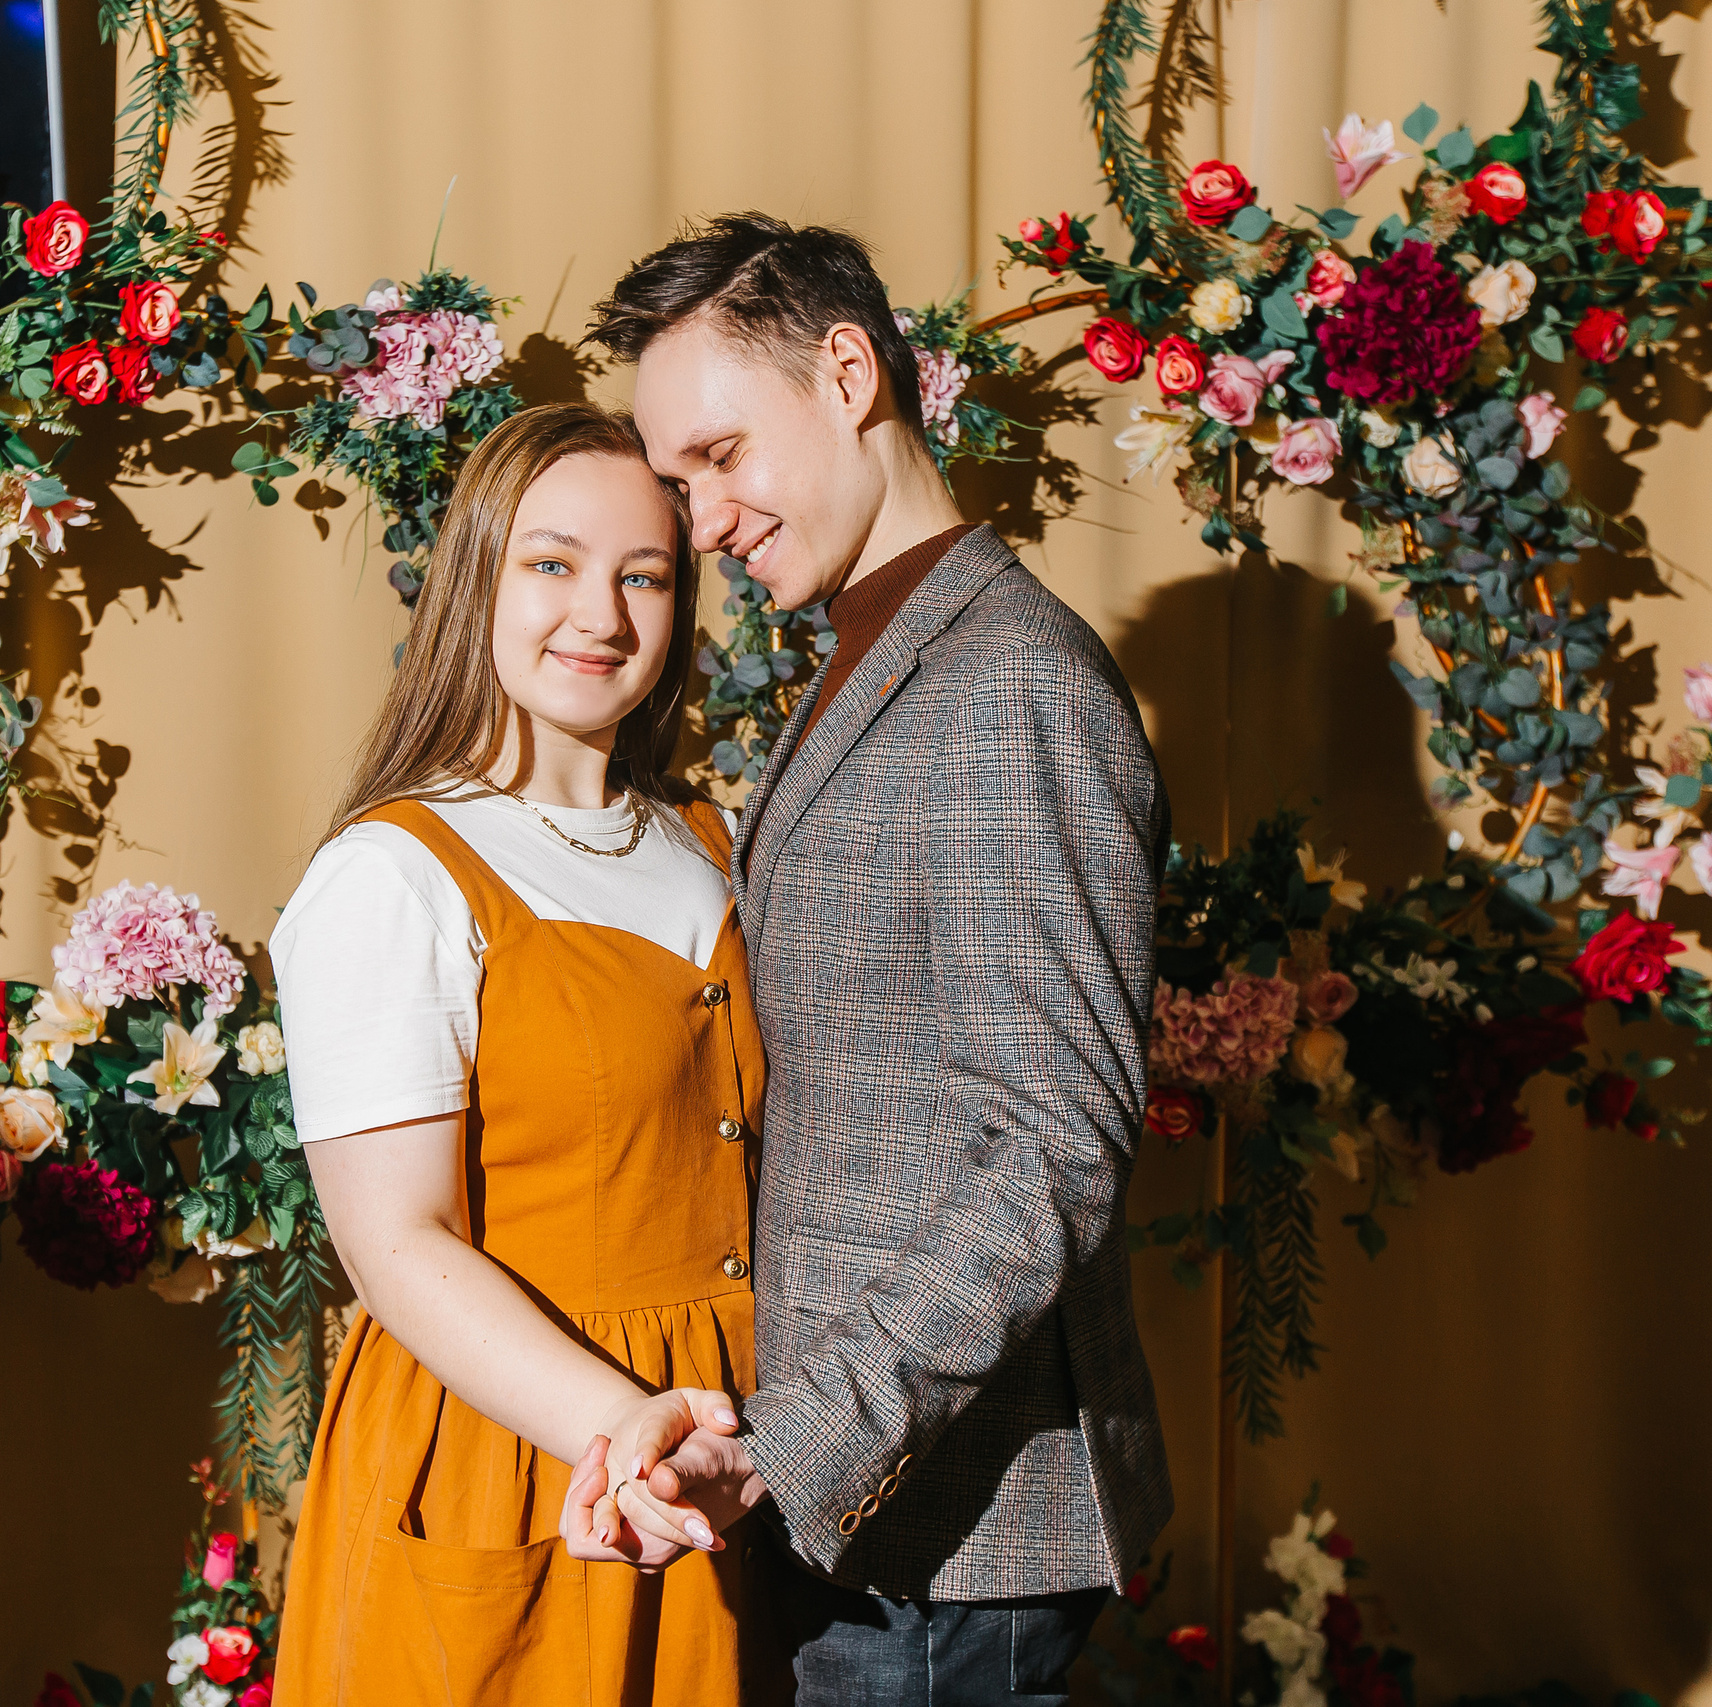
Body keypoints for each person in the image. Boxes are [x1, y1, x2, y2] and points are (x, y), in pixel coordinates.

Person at [567, 214, 1175, 1705]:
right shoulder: (878, 648)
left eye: (722, 458)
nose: (704, 523)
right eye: (679, 483)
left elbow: (1055, 1142)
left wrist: (800, 1442)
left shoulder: (1012, 680)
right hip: (868, 1517)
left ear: (850, 374)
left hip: (951, 1533)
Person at [269, 401, 768, 1706]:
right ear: (477, 576)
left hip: (728, 1461)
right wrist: (621, 1428)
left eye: (644, 576)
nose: (601, 614)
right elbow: (398, 1243)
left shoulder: (710, 843)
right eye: (553, 563)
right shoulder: (392, 874)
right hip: (521, 1458)